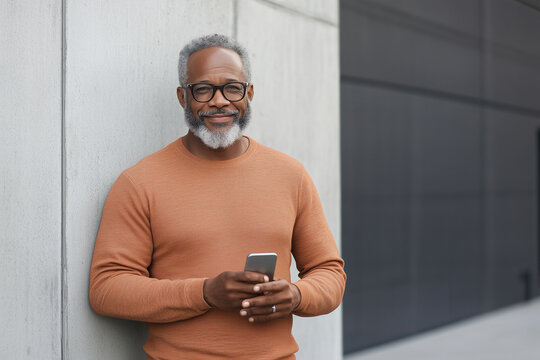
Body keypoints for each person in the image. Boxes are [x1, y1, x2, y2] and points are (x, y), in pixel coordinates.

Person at [89, 34, 346, 360]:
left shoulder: (290, 175)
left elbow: (330, 273)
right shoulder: (139, 182)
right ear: (183, 97)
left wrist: (296, 294)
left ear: (249, 93)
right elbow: (107, 289)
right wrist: (205, 292)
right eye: (203, 89)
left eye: (232, 88)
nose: (220, 100)